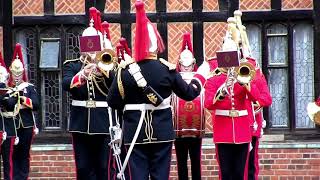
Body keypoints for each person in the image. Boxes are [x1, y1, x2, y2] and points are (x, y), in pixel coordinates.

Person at [106, 1, 206, 179]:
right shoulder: (165, 69)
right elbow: (189, 94)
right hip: (162, 133)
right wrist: (199, 77)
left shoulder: (124, 71)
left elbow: (112, 102)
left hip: (134, 132)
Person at [204, 15, 266, 179]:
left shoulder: (243, 73)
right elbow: (208, 103)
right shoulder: (213, 78)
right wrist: (223, 90)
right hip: (222, 130)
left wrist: (245, 83)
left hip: (242, 131)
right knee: (226, 173)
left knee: (241, 173)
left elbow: (257, 98)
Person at [62, 7, 116, 180]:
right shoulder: (72, 65)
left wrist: (105, 71)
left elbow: (116, 87)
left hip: (102, 123)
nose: (91, 49)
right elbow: (65, 84)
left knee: (103, 166)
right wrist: (83, 74)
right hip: (80, 122)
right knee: (84, 167)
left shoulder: (106, 65)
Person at [172, 32, 204, 180]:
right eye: (183, 64)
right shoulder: (175, 78)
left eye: (189, 64)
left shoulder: (199, 78)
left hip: (196, 129)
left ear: (193, 63)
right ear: (179, 64)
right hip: (179, 129)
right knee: (181, 163)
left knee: (196, 162)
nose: (186, 67)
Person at [6, 43, 40, 180]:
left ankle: (23, 177)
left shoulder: (29, 88)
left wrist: (21, 100)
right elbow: (7, 105)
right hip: (11, 126)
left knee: (24, 154)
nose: (17, 76)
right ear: (10, 72)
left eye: (19, 73)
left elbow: (36, 105)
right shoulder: (6, 89)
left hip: (26, 125)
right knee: (12, 154)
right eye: (15, 73)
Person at [0, 51, 17, 180]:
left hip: (8, 130)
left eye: (2, 75)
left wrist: (3, 94)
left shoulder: (11, 91)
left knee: (8, 164)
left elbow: (11, 104)